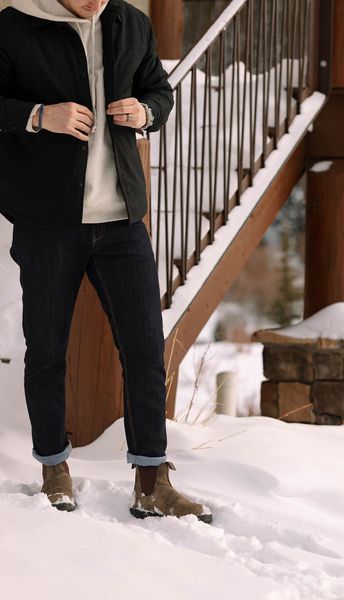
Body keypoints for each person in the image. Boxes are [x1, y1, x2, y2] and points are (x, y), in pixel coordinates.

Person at [0, 0, 212, 523]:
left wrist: (146, 112)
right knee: (47, 350)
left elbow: (160, 91)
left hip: (123, 221)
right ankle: (54, 468)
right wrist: (37, 116)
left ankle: (152, 481)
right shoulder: (14, 26)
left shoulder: (130, 22)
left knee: (144, 351)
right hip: (48, 222)